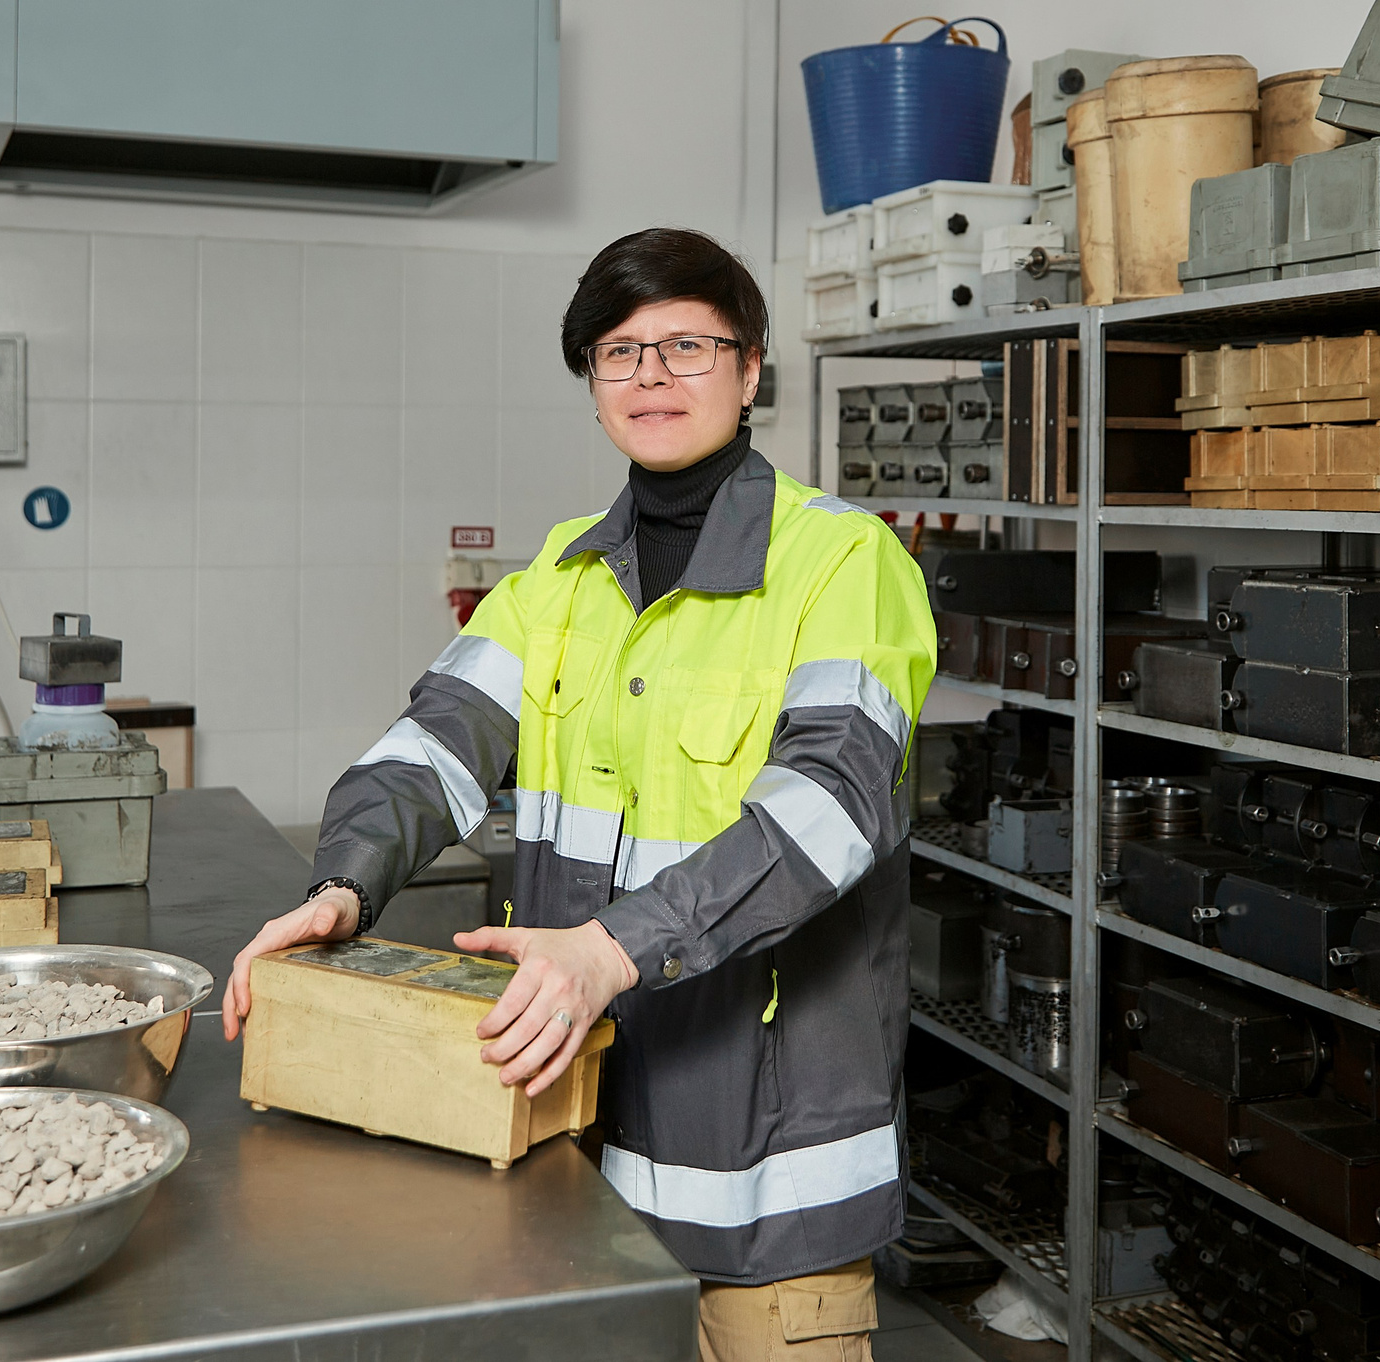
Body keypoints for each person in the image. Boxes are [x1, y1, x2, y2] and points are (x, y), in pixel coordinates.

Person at [222, 226, 934, 1362]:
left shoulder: (842, 563)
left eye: (687, 345)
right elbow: (433, 743)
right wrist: (343, 884)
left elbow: (829, 804)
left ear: (751, 371)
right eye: (618, 351)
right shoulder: (556, 577)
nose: (650, 374)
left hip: (762, 1186)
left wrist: (611, 946)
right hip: (569, 1145)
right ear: (593, 384)